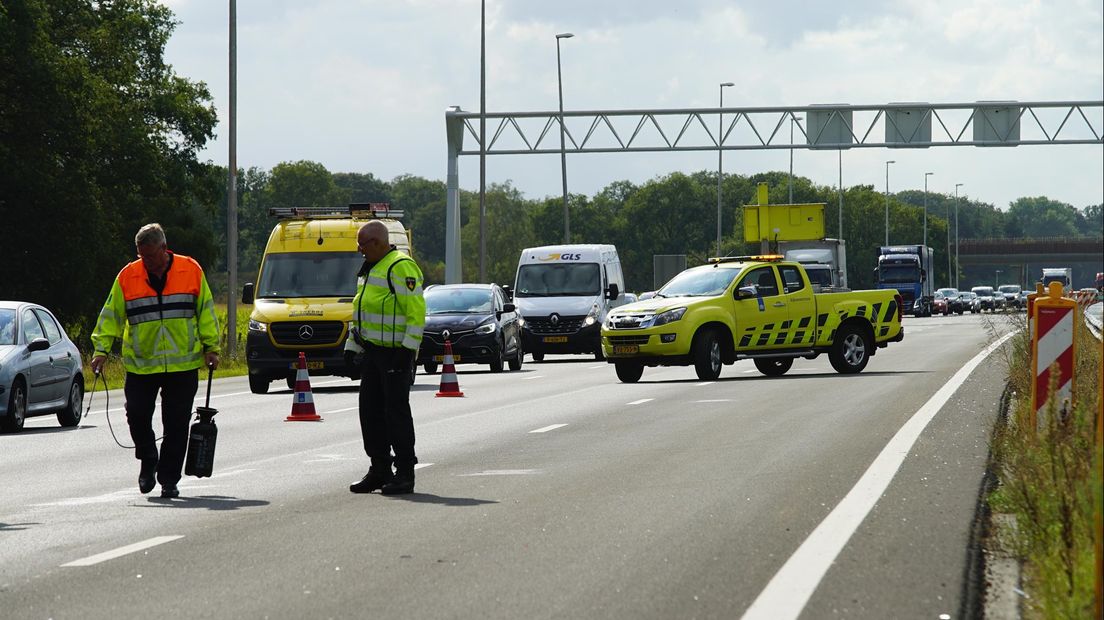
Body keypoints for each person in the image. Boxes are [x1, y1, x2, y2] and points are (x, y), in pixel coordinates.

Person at [90, 223, 220, 499]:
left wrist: (211, 347)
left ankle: (169, 479)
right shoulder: (128, 276)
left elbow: (205, 311)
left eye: (149, 256)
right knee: (136, 415)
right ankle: (148, 457)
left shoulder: (191, 270)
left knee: (176, 425)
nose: (145, 262)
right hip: (141, 364)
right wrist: (100, 350)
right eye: (140, 256)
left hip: (182, 365)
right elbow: (111, 315)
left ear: (163, 248)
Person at [345, 220, 425, 495]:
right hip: (373, 353)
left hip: (395, 354)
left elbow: (416, 312)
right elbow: (361, 312)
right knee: (369, 412)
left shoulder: (400, 267)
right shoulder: (370, 269)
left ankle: (404, 473)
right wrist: (351, 349)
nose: (359, 250)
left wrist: (407, 350)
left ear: (378, 243)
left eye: (362, 244)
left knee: (396, 414)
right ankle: (379, 468)